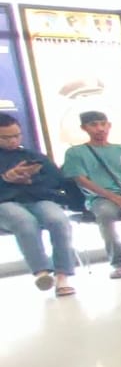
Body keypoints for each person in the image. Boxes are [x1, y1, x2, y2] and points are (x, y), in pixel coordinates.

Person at [0, 113, 77, 295]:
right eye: (6, 138)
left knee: (58, 221)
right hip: (5, 202)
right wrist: (5, 179)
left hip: (38, 199)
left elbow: (56, 180)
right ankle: (41, 271)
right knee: (24, 222)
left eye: (16, 136)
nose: (13, 141)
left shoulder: (33, 156)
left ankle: (62, 275)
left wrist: (30, 180)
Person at [61, 110, 121, 279]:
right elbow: (81, 180)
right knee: (105, 214)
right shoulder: (76, 153)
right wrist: (113, 197)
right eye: (94, 125)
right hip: (100, 198)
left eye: (103, 124)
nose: (100, 129)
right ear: (84, 128)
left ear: (109, 125)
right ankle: (118, 263)